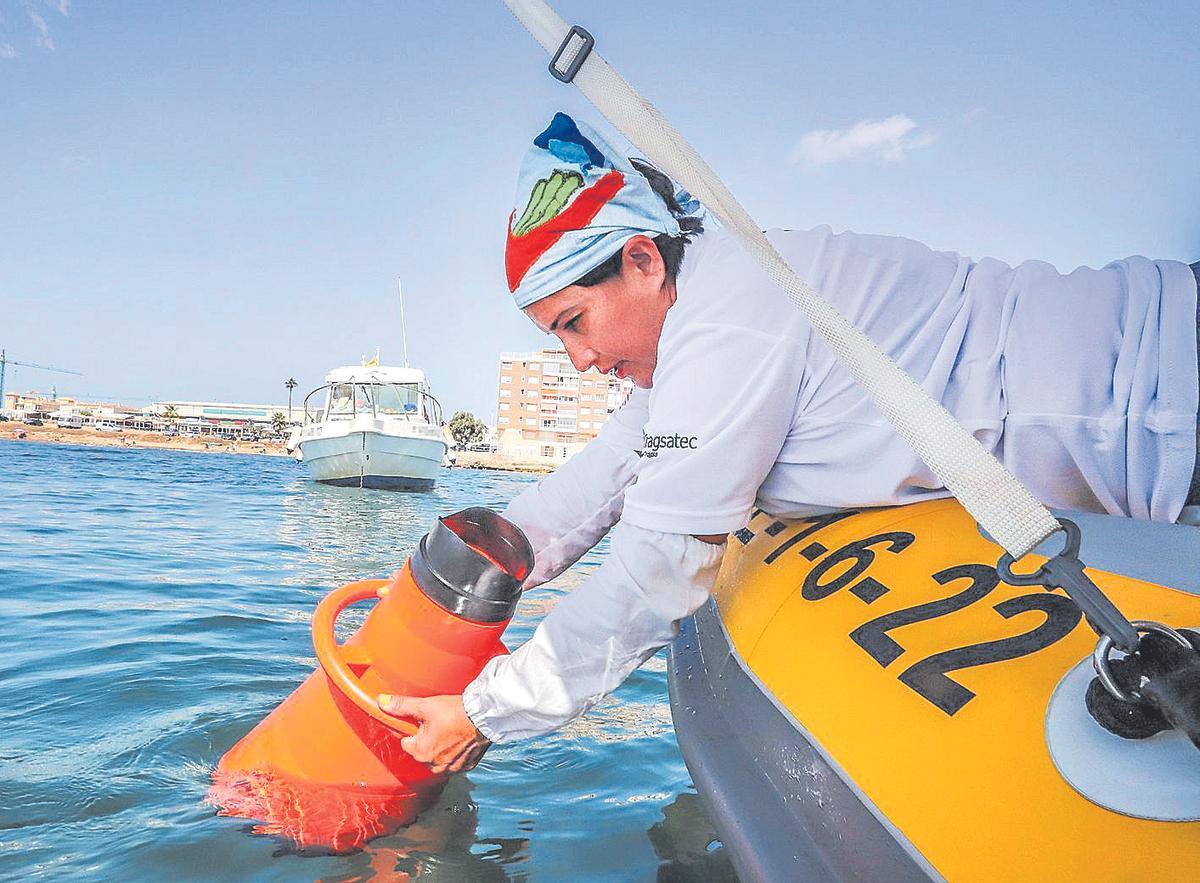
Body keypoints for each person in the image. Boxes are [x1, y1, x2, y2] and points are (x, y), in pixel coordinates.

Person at [378, 112, 1200, 774]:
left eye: (574, 323)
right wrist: (455, 581)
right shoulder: (703, 322)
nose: (580, 360)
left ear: (643, 261)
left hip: (1165, 397)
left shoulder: (728, 323)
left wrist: (483, 713)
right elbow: (608, 471)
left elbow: (659, 567)